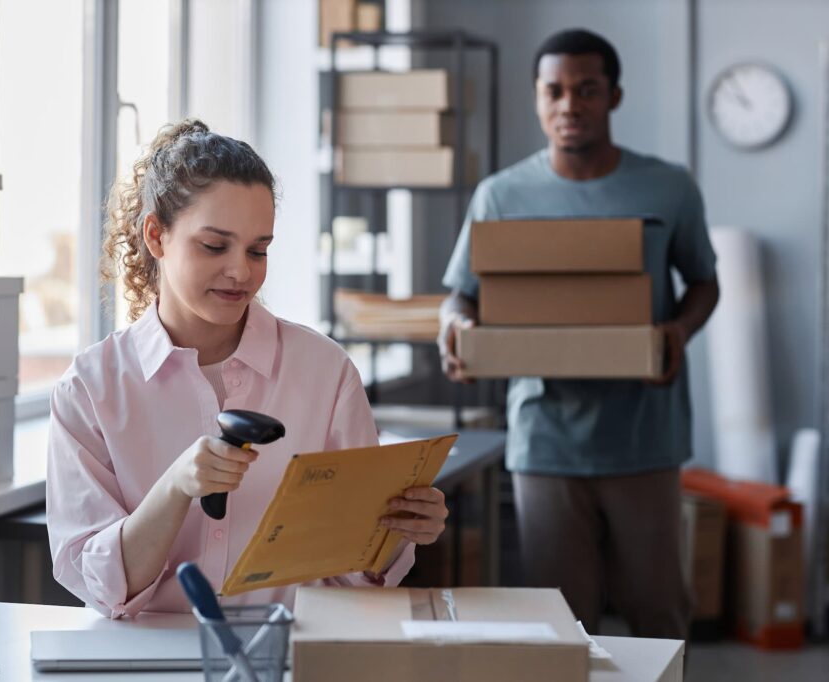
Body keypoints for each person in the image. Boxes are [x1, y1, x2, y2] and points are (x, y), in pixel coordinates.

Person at [47, 119, 449, 618]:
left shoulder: (325, 372)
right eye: (215, 246)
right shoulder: (90, 387)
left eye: (258, 250)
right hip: (146, 660)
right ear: (156, 235)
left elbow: (356, 572)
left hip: (289, 653)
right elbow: (100, 584)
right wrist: (175, 487)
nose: (242, 271)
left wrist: (397, 530)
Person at [438, 29, 720, 639]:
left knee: (658, 615)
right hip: (546, 439)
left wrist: (678, 330)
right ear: (538, 99)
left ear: (614, 96)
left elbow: (704, 283)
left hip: (644, 436)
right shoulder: (502, 195)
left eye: (587, 90)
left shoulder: (668, 188)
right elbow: (463, 292)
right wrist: (455, 327)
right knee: (560, 623)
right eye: (555, 91)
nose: (570, 105)